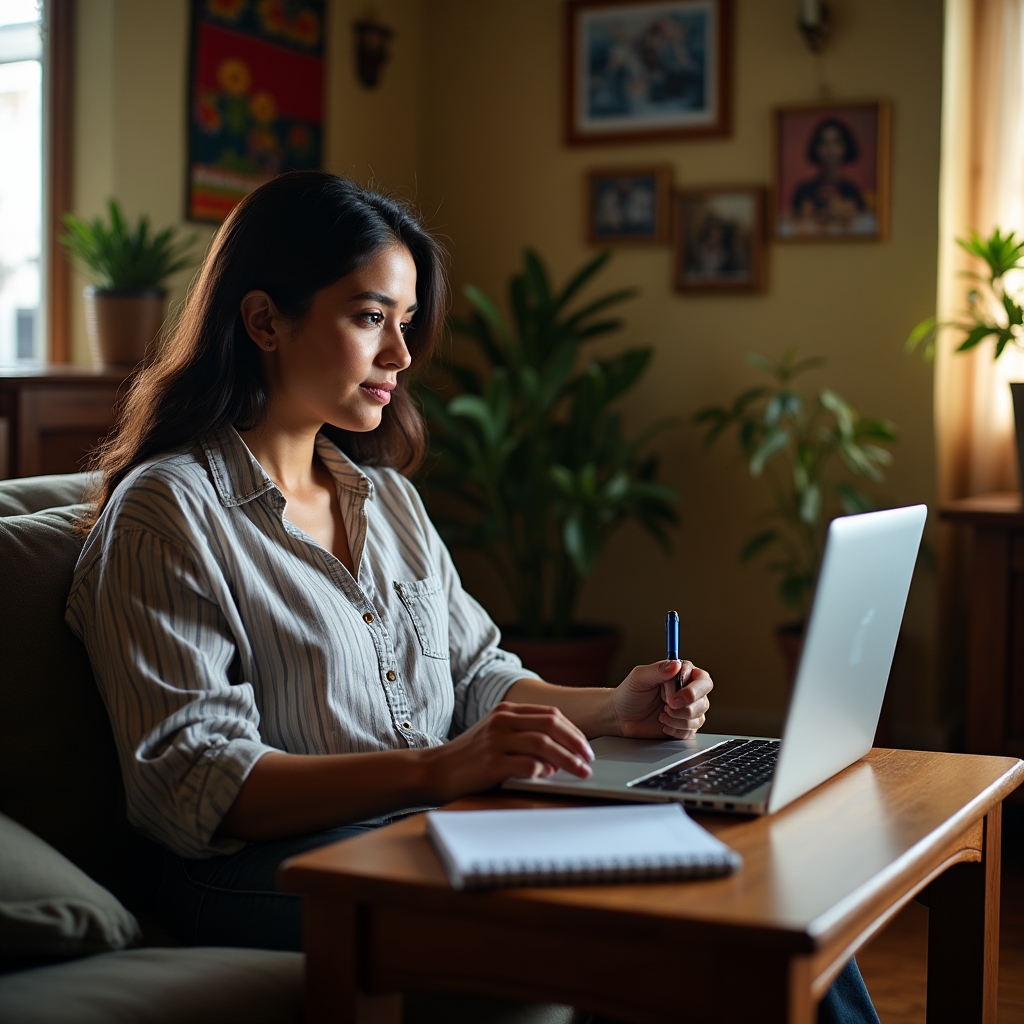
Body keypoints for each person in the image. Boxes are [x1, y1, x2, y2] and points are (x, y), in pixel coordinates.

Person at [65, 171, 877, 1024]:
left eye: (405, 324)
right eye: (371, 317)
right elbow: (194, 786)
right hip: (262, 869)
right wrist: (439, 767)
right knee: (663, 934)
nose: (402, 356)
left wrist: (614, 707)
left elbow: (479, 674)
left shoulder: (386, 502)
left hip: (429, 827)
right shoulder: (168, 513)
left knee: (759, 894)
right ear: (265, 319)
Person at [789, 117, 871, 234]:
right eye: (824, 142)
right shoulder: (803, 190)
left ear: (845, 147)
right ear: (817, 148)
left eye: (835, 142)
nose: (830, 149)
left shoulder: (853, 192)